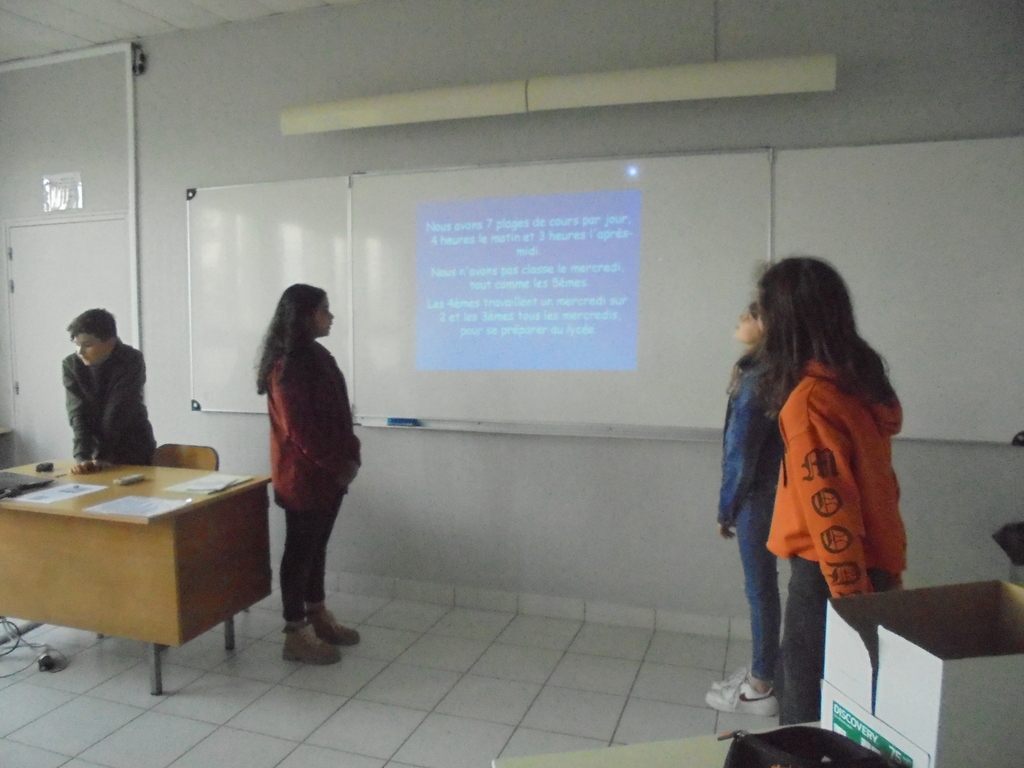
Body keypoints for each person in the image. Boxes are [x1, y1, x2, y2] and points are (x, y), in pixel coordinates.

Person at [756, 256, 906, 725]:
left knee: (804, 708)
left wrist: (854, 605)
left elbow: (831, 509)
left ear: (786, 323)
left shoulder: (811, 401)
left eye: (764, 312)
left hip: (831, 574)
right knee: (845, 698)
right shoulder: (857, 384)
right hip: (869, 565)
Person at [256, 284, 362, 665]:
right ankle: (294, 633)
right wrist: (339, 465)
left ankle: (317, 614)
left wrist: (350, 457)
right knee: (299, 553)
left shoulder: (317, 355)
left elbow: (339, 415)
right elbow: (301, 432)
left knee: (317, 548)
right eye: (324, 309)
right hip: (304, 478)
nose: (330, 316)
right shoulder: (286, 366)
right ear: (304, 316)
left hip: (329, 475)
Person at [705, 302, 784, 717]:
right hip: (775, 492)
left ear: (767, 324)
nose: (739, 319)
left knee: (760, 588)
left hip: (757, 496)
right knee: (764, 588)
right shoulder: (777, 371)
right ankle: (763, 671)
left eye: (750, 315)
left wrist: (726, 510)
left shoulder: (758, 378)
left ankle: (760, 684)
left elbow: (740, 455)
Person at [63, 309, 156, 474]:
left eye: (87, 345)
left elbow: (118, 409)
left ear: (110, 342)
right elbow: (77, 411)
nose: (80, 352)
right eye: (77, 344)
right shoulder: (71, 365)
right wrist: (82, 456)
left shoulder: (131, 359)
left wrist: (103, 456)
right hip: (95, 449)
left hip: (133, 448)